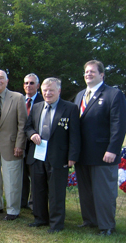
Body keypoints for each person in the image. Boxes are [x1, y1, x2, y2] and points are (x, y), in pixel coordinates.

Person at [74, 60, 126, 236]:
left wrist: (113, 149)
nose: (88, 74)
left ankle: (106, 226)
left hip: (104, 154)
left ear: (102, 75)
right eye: (86, 72)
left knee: (104, 192)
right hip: (82, 154)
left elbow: (118, 125)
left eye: (92, 72)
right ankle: (90, 220)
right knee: (86, 191)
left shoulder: (113, 94)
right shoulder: (80, 95)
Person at [25, 77, 80, 233]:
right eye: (45, 90)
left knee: (56, 192)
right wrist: (32, 134)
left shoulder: (70, 108)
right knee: (38, 189)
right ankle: (40, 218)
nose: (48, 93)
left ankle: (56, 224)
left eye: (51, 90)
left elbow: (75, 135)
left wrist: (72, 156)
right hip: (37, 156)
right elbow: (28, 127)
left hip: (59, 156)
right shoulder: (36, 107)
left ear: (59, 91)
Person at [0, 69, 27, 221]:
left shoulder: (17, 97)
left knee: (12, 179)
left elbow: (22, 124)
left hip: (12, 146)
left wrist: (20, 144)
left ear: (7, 81)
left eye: (1, 78)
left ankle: (13, 210)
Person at [21, 73, 44, 209]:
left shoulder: (43, 100)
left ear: (38, 85)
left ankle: (34, 203)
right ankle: (22, 202)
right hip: (20, 144)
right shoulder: (19, 100)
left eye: (31, 83)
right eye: (26, 83)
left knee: (36, 176)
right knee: (21, 175)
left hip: (36, 145)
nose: (28, 85)